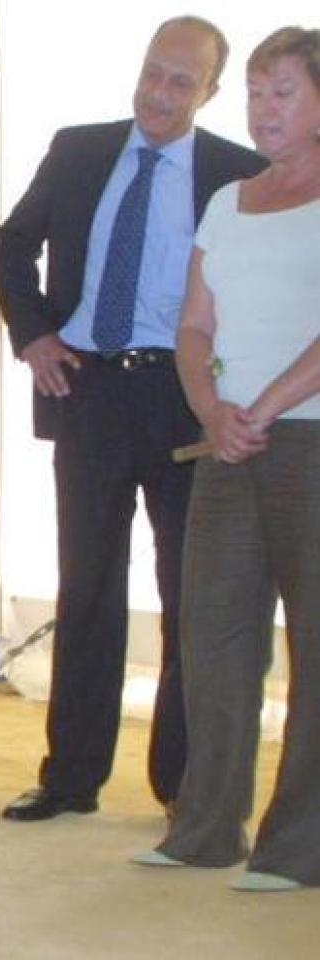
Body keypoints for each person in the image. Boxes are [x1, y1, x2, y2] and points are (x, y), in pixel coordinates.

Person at [0, 17, 265, 823]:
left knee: (191, 598)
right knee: (87, 592)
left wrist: (229, 396)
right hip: (90, 392)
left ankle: (181, 785)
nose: (160, 92)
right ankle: (71, 778)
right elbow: (11, 246)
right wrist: (35, 334)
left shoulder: (236, 175)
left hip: (185, 402)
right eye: (154, 72)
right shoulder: (79, 150)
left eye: (183, 81)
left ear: (210, 93)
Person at [135, 25, 320, 892]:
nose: (262, 107)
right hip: (227, 439)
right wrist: (215, 408)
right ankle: (205, 827)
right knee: (213, 634)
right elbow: (193, 325)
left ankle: (300, 847)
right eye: (252, 91)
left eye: (281, 90)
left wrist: (267, 407)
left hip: (306, 439)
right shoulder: (228, 199)